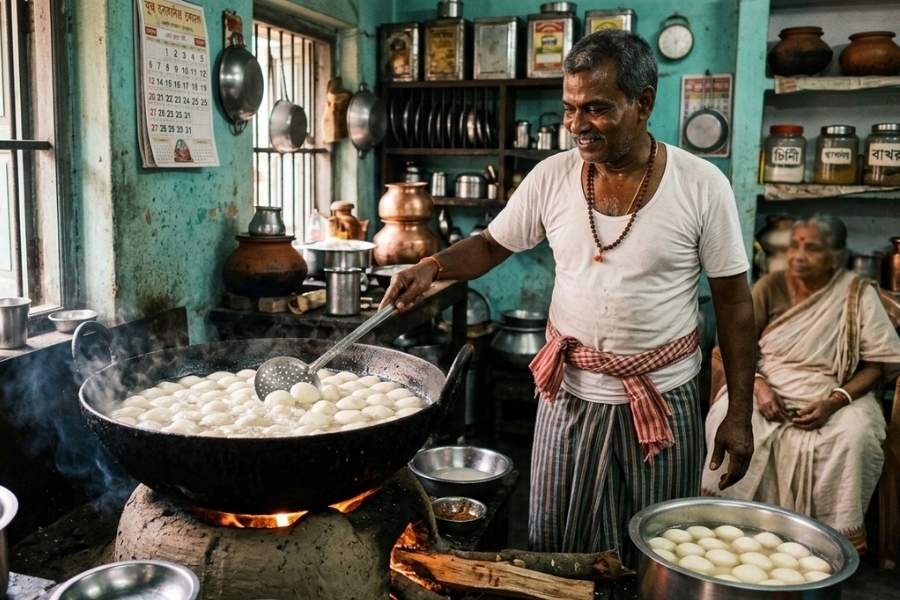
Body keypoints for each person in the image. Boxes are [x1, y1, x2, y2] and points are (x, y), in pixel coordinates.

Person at [382, 30, 756, 562]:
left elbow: (735, 302)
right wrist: (432, 265)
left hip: (662, 402)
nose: (577, 126)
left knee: (655, 555)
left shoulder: (702, 185)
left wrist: (739, 414)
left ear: (643, 102)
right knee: (557, 549)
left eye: (596, 109)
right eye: (570, 109)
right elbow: (491, 244)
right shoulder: (551, 177)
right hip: (569, 396)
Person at [702, 215, 900, 552]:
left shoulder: (856, 293)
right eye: (795, 246)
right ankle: (729, 529)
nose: (799, 255)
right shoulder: (770, 286)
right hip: (765, 381)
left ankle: (828, 541)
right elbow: (738, 345)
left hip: (833, 387)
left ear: (837, 256)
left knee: (857, 433)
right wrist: (759, 387)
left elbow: (878, 365)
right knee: (730, 417)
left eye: (813, 248)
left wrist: (835, 400)